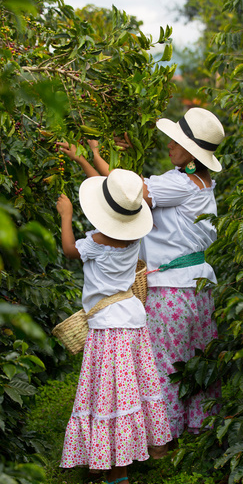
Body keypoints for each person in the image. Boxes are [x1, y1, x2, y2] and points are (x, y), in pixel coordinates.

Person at [59, 107, 224, 440]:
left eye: (177, 142)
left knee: (164, 363)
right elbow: (126, 187)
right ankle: (202, 429)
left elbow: (126, 193)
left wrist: (90, 159)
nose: (170, 146)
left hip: (170, 290)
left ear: (192, 152)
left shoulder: (179, 183)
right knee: (199, 358)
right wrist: (96, 158)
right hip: (202, 284)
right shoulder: (203, 182)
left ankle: (163, 435)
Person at [56, 168, 172, 484]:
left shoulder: (94, 242)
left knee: (108, 396)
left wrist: (65, 216)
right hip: (132, 320)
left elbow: (69, 250)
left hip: (108, 329)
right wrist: (86, 159)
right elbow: (118, 196)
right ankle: (108, 453)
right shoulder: (134, 236)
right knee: (127, 390)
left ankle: (116, 471)